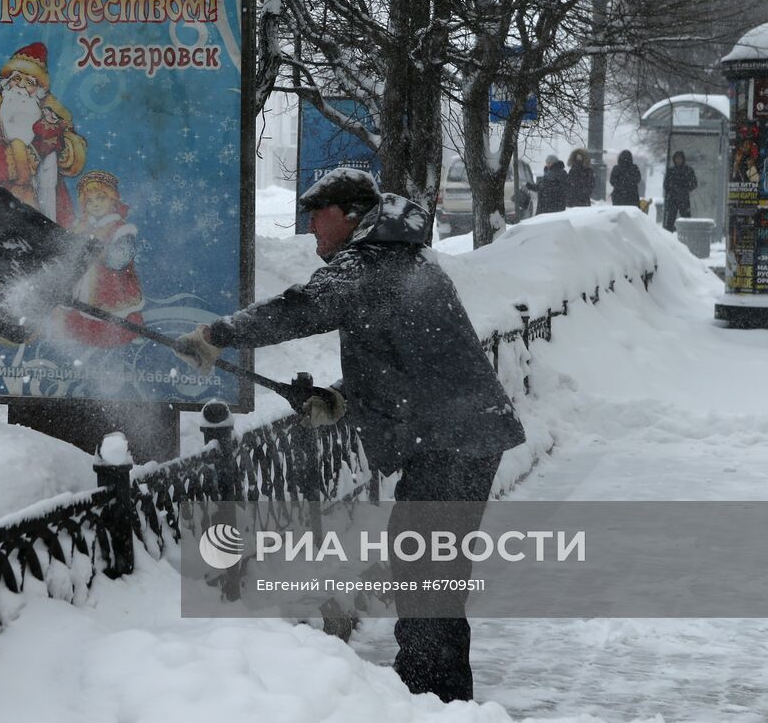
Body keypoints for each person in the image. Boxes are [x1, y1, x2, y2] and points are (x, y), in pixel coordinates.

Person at [173, 168, 525, 702]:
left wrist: (216, 335)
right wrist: (343, 398)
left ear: (351, 216)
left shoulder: (369, 263)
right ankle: (435, 694)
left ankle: (435, 697)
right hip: (458, 432)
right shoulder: (396, 257)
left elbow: (300, 309)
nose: (311, 225)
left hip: (455, 435)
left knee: (426, 568)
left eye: (320, 214)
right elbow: (402, 357)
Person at [0, 42, 87, 229]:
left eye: (29, 82)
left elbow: (73, 152)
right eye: (16, 78)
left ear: (38, 90)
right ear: (6, 82)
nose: (20, 86)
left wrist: (60, 145)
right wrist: (31, 153)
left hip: (48, 198)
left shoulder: (50, 113)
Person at [62, 171, 145, 347]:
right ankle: (88, 339)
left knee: (112, 316)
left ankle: (115, 338)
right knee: (83, 314)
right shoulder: (82, 225)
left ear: (112, 199)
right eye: (89, 201)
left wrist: (96, 252)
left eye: (101, 198)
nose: (95, 204)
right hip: (84, 281)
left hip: (110, 284)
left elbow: (120, 259)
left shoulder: (121, 228)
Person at [662, 150, 697, 232]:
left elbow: (694, 183)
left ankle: (687, 237)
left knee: (686, 221)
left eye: (680, 158)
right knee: (669, 221)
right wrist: (672, 190)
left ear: (683, 159)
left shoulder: (688, 170)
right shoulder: (671, 171)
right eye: (676, 159)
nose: (678, 160)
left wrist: (684, 188)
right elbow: (665, 185)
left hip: (683, 199)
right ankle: (667, 239)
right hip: (672, 199)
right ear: (674, 159)